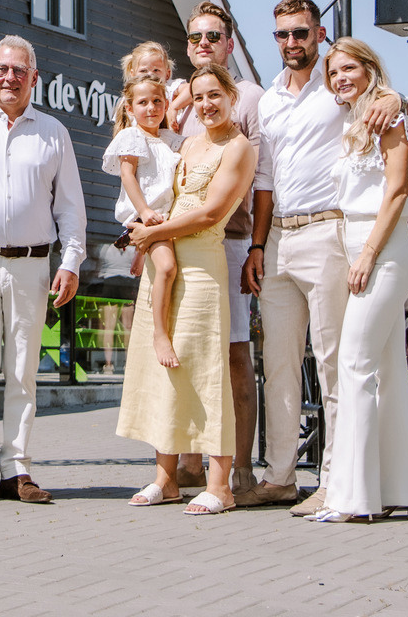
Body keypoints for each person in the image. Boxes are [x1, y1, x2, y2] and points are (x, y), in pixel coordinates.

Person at [240, 0, 408, 515]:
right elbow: (265, 179)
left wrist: (399, 98)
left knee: (333, 363)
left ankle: (334, 480)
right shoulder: (269, 99)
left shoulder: (340, 89)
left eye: (300, 32)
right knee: (279, 366)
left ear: (319, 34)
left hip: (329, 233)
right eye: (282, 34)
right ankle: (279, 477)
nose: (291, 42)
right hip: (278, 240)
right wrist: (257, 244)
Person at [0, 34, 87, 506]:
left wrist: (71, 261)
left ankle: (16, 469)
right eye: (1, 70)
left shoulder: (54, 131)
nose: (9, 78)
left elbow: (70, 206)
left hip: (32, 266)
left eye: (19, 70)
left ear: (34, 77)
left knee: (23, 371)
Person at [118, 64, 256, 514]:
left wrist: (152, 234)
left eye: (215, 95)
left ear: (231, 95)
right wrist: (146, 235)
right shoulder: (187, 142)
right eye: (199, 97)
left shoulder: (239, 147)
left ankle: (220, 485)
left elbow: (211, 212)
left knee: (205, 369)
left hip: (201, 265)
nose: (207, 104)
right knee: (163, 369)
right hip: (164, 259)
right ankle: (167, 478)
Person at [313, 38, 408, 522]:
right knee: (385, 369)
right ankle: (395, 489)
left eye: (349, 68)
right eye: (333, 72)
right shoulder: (354, 122)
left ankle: (353, 497)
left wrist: (366, 254)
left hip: (383, 251)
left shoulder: (392, 116)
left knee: (354, 364)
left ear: (369, 69)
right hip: (359, 247)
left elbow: (397, 191)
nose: (340, 78)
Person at [171, 1, 262, 497]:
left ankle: (240, 467)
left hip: (228, 240)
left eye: (212, 36)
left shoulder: (248, 97)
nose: (203, 44)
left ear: (229, 43)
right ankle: (189, 463)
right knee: (187, 352)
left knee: (233, 354)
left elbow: (264, 180)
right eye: (195, 38)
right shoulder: (183, 99)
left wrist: (257, 245)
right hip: (183, 242)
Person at [102, 74, 184, 367]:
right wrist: (145, 211)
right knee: (167, 267)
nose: (151, 108)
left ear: (167, 104)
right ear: (129, 107)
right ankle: (160, 334)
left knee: (166, 268)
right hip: (146, 216)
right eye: (143, 102)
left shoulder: (170, 140)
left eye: (157, 101)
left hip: (166, 217)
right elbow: (128, 176)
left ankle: (141, 254)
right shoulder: (132, 136)